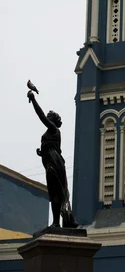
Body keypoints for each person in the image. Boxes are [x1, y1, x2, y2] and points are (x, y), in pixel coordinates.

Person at [28, 90, 78, 228]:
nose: (48, 118)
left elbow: (41, 115)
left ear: (53, 121)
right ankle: (56, 222)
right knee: (54, 193)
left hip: (54, 162)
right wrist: (42, 151)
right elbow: (50, 146)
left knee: (58, 191)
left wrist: (33, 100)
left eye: (50, 117)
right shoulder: (51, 132)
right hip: (50, 161)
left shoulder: (54, 128)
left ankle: (64, 220)